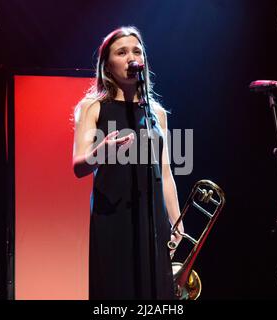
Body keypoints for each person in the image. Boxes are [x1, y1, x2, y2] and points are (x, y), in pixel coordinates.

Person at [72, 26, 184, 300]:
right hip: (112, 215)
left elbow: (166, 172)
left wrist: (176, 219)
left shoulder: (156, 112)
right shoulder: (93, 106)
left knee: (155, 291)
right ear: (107, 65)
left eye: (136, 51)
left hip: (151, 215)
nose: (131, 57)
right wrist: (103, 151)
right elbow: (78, 166)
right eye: (121, 52)